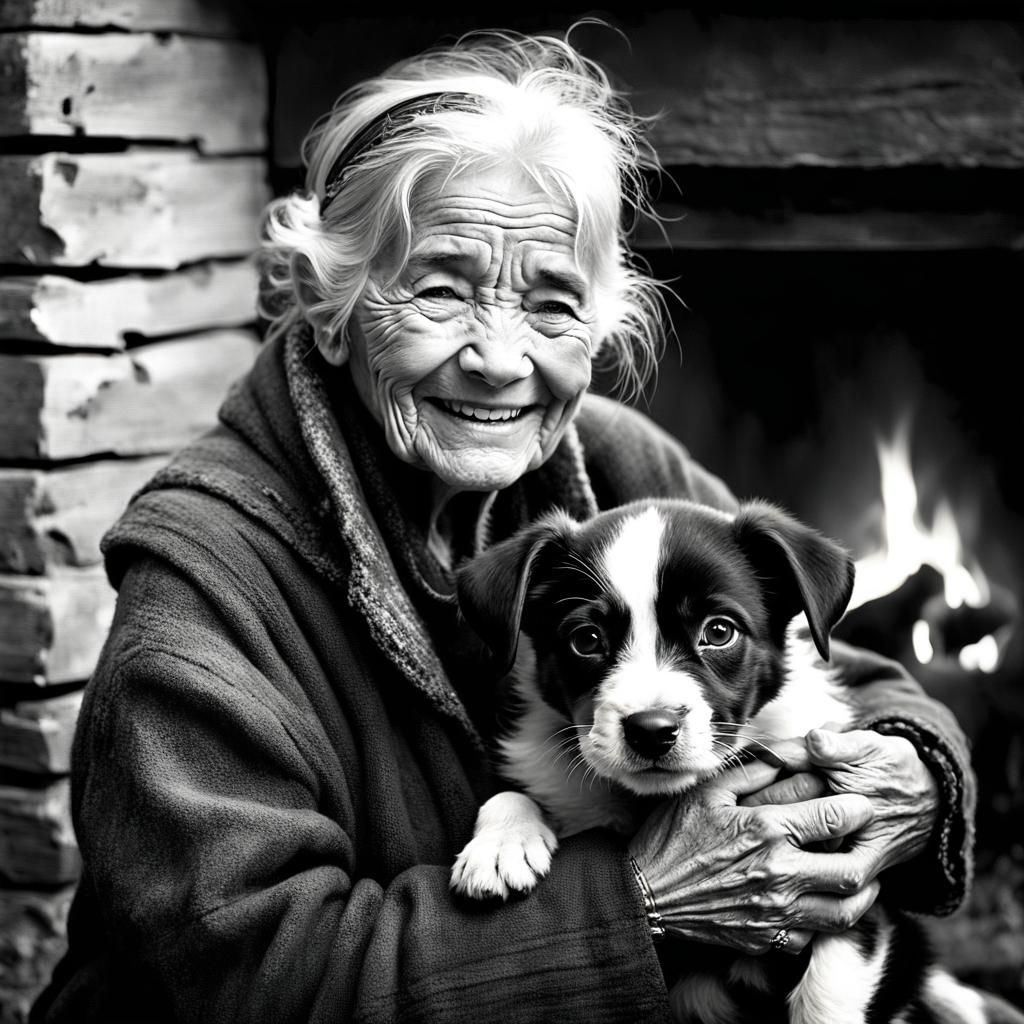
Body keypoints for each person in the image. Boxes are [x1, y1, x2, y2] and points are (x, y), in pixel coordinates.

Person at [29, 23, 995, 1024]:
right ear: (327, 304)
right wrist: (641, 905)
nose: (499, 357)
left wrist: (907, 780)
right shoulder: (206, 584)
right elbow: (259, 980)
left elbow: (823, 665)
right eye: (440, 289)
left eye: (550, 304)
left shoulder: (612, 461)